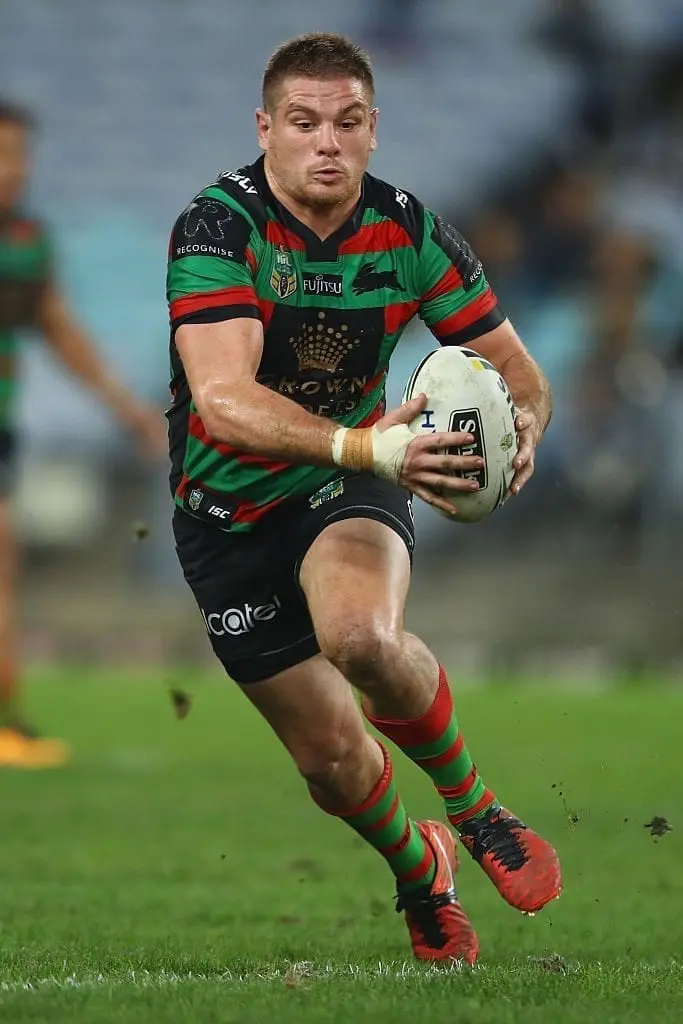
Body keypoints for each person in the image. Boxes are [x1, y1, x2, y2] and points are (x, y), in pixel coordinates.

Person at [167, 33, 560, 964]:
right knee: (332, 762)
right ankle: (420, 869)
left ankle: (474, 812)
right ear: (266, 128)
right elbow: (223, 404)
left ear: (374, 130)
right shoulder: (218, 228)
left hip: (347, 479)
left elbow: (516, 371)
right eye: (303, 124)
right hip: (225, 512)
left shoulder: (411, 230)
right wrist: (370, 442)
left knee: (362, 639)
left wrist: (525, 425)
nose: (326, 144)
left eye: (347, 123)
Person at [0, 99, 166, 768]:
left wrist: (126, 409)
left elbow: (57, 328)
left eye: (19, 155)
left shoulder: (27, 239)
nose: (12, 169)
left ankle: (8, 720)